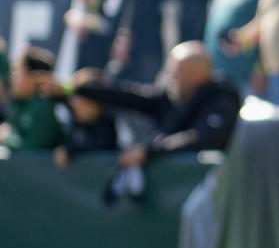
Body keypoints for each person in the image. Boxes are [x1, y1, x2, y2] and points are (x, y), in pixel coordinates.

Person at [41, 41, 240, 202]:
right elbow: (127, 95)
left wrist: (149, 151)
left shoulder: (222, 100)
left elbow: (203, 138)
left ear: (196, 77)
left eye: (176, 73)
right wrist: (72, 89)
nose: (170, 78)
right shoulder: (171, 97)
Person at [0, 46, 64, 150]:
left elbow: (32, 151)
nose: (12, 80)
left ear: (35, 77)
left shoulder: (43, 107)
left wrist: (7, 138)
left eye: (16, 74)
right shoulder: (19, 104)